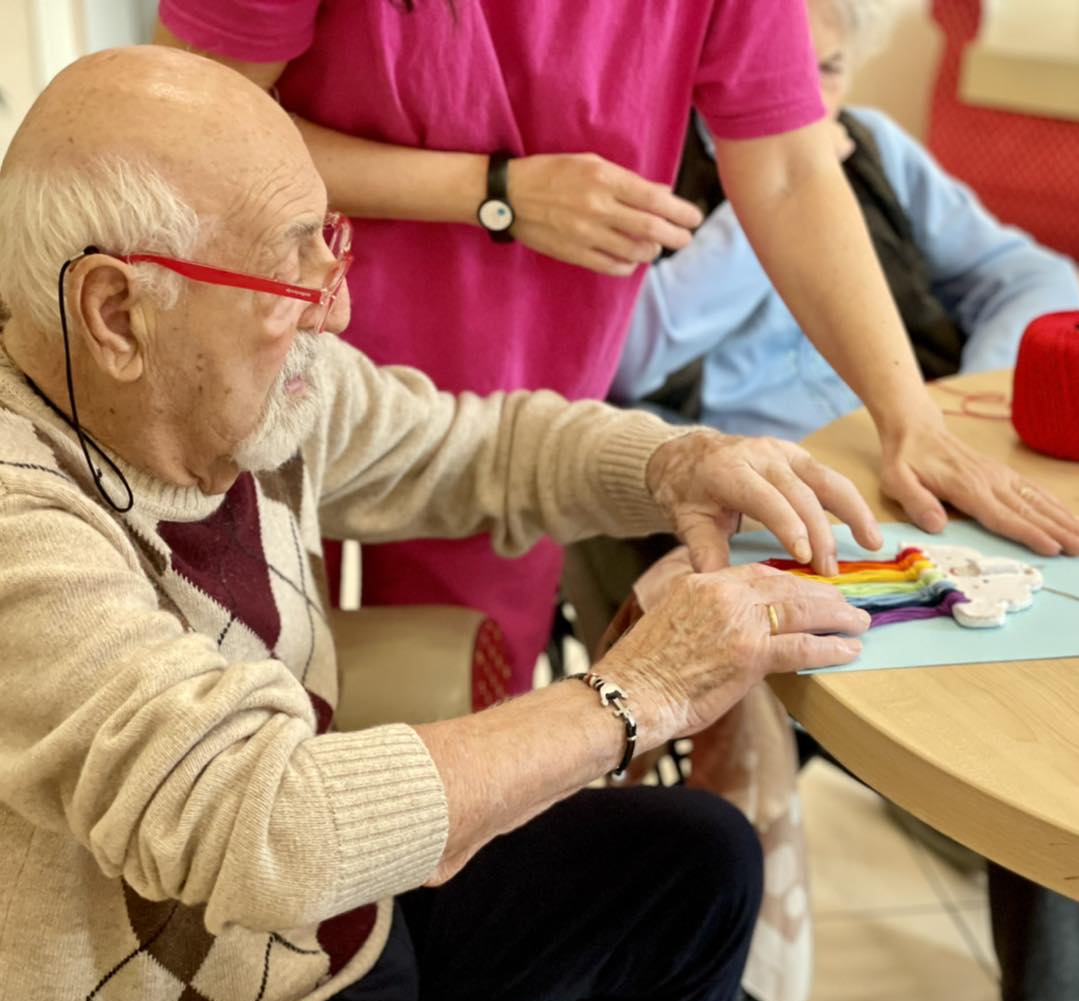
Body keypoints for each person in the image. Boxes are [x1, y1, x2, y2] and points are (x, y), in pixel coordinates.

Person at [0, 47, 885, 1001]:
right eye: (289, 270)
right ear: (117, 314)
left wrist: (672, 464)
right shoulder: (23, 518)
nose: (332, 305)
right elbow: (263, 821)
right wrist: (629, 695)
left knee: (702, 863)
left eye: (327, 243)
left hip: (331, 931)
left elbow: (478, 448)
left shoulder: (243, 388)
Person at [154, 0, 1077, 699]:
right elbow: (195, 124)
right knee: (247, 687)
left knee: (456, 703)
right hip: (259, 353)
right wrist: (495, 191)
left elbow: (793, 168)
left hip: (517, 398)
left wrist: (909, 416)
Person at [608, 2, 1079, 1001]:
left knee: (1047, 647)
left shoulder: (877, 152)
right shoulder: (656, 186)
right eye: (774, 81)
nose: (807, 101)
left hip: (909, 475)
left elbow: (1035, 273)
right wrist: (774, 193)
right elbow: (629, 351)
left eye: (822, 72)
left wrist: (951, 395)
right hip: (767, 499)